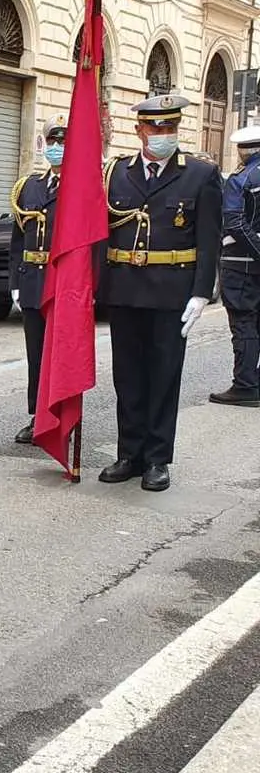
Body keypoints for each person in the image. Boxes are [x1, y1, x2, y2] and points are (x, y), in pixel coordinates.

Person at [96, 94, 221, 492]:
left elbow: (210, 239)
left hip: (171, 293)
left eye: (169, 127)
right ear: (139, 131)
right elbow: (101, 233)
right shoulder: (115, 173)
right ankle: (129, 454)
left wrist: (202, 293)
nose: (162, 135)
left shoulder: (201, 175)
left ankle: (156, 459)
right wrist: (94, 287)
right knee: (127, 376)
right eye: (154, 128)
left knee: (163, 377)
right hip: (125, 290)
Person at [9, 116, 67, 444]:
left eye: (63, 142)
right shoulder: (29, 186)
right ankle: (37, 415)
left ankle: (60, 416)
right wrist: (15, 281)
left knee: (60, 354)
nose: (57, 147)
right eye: (52, 141)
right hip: (33, 281)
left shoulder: (82, 186)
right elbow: (19, 237)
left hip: (62, 283)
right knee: (36, 352)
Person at [211, 121, 260, 407]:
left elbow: (235, 222)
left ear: (244, 151)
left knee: (243, 323)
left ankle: (244, 384)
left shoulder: (241, 178)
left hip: (240, 263)